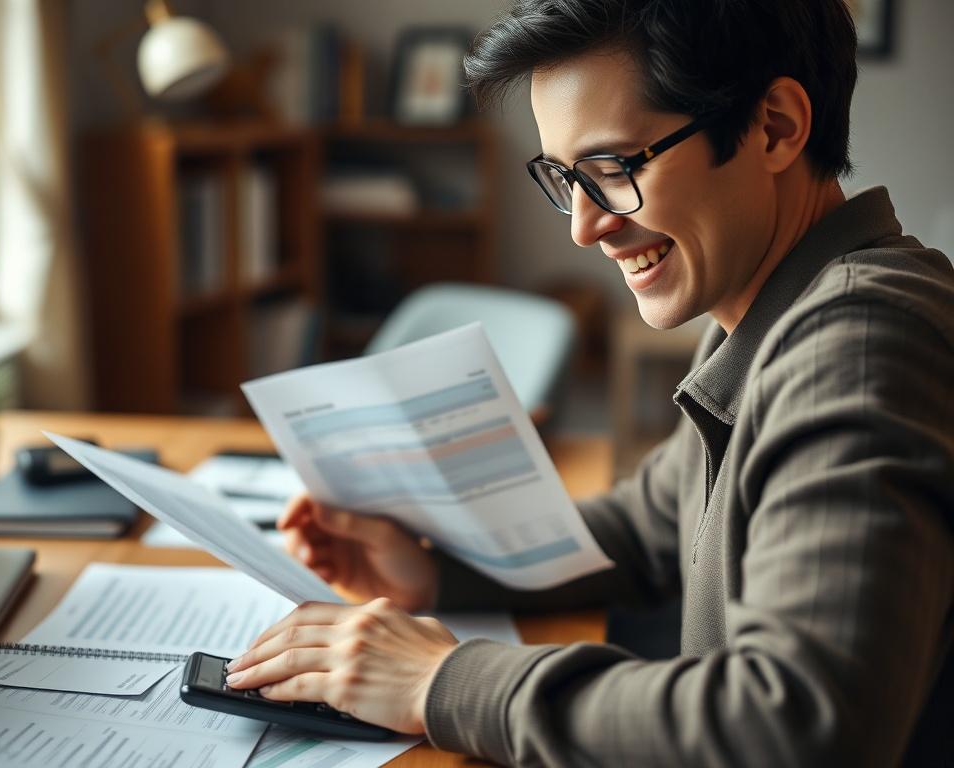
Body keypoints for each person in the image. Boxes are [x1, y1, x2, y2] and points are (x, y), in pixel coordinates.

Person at [225, 1, 954, 764]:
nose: (584, 226)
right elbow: (648, 529)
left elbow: (796, 723)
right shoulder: (763, 311)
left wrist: (440, 680)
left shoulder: (860, 348)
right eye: (568, 176)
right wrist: (439, 570)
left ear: (774, 126)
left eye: (614, 168)